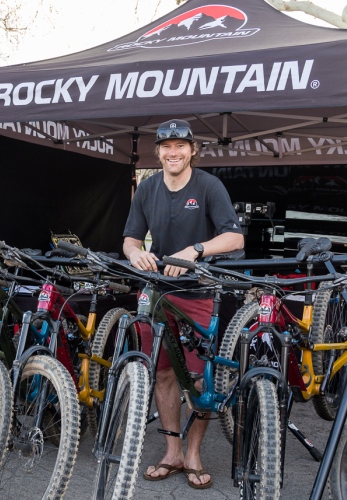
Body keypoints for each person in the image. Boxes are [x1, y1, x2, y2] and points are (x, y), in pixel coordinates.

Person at [123, 119, 244, 489]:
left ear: (192, 150)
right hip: (158, 292)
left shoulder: (209, 186)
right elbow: (129, 239)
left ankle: (193, 454)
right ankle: (172, 452)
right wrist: (135, 254)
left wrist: (195, 251)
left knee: (196, 377)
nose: (172, 152)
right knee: (161, 373)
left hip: (197, 292)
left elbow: (235, 238)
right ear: (157, 152)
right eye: (165, 147)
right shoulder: (147, 188)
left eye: (180, 146)